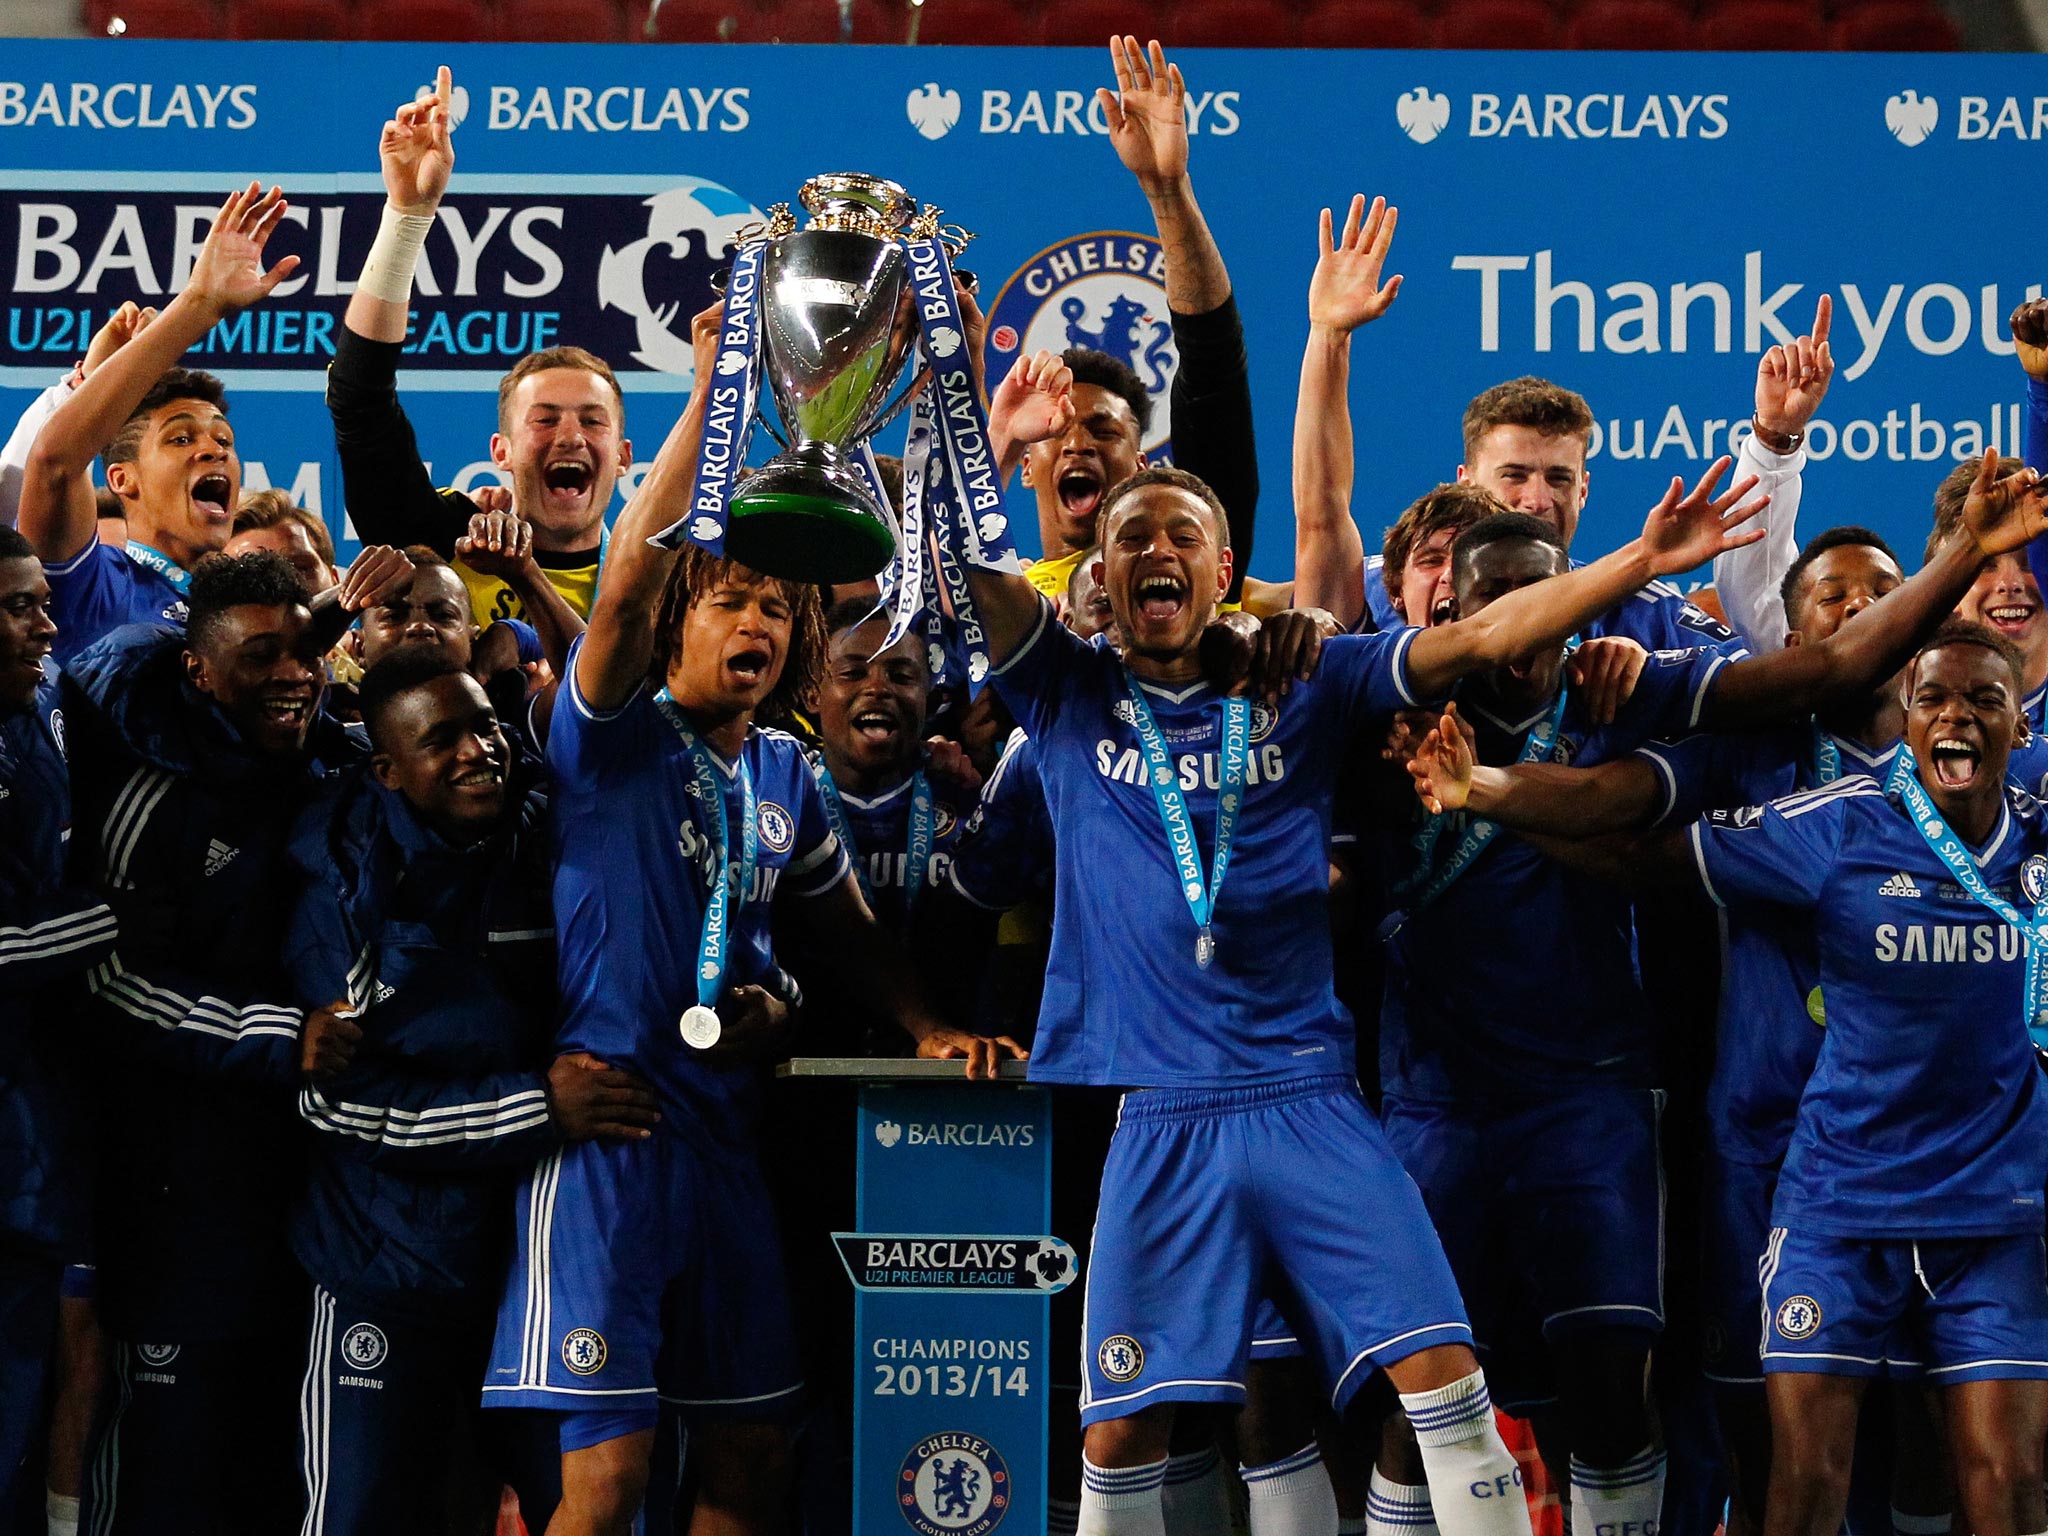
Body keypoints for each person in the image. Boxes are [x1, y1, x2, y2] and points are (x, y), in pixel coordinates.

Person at [971, 340, 1770, 1536]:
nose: (1153, 552)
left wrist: (1639, 565)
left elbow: (1481, 640)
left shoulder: (1321, 680)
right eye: (1129, 535)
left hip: (1309, 1099)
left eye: (1182, 535)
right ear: (1091, 567)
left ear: (1225, 571)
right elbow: (973, 577)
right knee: (1120, 1430)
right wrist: (993, 450)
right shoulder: (1065, 698)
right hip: (1159, 1113)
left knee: (1446, 1393)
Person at [1373, 487, 2037, 1533]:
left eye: (1878, 597)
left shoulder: (2026, 802)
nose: (1854, 615)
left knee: (1967, 1457)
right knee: (1758, 1441)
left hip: (1979, 1182)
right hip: (1784, 1158)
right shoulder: (1768, 761)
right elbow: (1625, 824)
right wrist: (1487, 792)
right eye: (1830, 596)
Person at [480, 308, 1014, 1536]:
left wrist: (925, 1022)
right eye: (731, 602)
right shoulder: (609, 736)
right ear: (681, 620)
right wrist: (716, 390)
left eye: (780, 609)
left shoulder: (784, 770)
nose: (760, 626)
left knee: (752, 1456)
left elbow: (847, 929)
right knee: (603, 1486)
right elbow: (621, 583)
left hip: (727, 1147)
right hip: (609, 1140)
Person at [284, 649, 659, 1535]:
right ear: (386, 768)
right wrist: (537, 1106)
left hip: (538, 1259)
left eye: (484, 726)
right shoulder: (339, 870)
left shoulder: (548, 826)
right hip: (383, 1257)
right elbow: (331, 1101)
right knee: (364, 1515)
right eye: (440, 739)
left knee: (584, 1508)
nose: (477, 751)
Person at [64, 552, 365, 1533]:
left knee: (271, 1470)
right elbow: (105, 981)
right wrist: (288, 1036)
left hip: (300, 1179)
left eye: (304, 650)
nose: (292, 673)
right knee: (167, 1466)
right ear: (197, 668)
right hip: (170, 1182)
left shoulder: (330, 759)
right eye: (259, 655)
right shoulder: (154, 787)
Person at [328, 70, 632, 627]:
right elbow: (359, 399)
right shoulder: (445, 537)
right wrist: (407, 217)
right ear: (502, 452)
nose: (570, 435)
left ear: (625, 456)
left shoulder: (650, 577)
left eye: (592, 421)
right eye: (544, 420)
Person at [1014, 39, 1258, 607]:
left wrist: (1167, 190)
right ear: (1025, 467)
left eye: (1103, 431)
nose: (1077, 445)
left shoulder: (1193, 584)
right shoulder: (997, 605)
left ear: (1141, 466)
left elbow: (1213, 364)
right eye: (1054, 432)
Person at [16, 186, 301, 664]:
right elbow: (55, 462)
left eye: (224, 440)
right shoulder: (94, 585)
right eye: (182, 438)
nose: (215, 452)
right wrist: (200, 304)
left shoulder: (245, 617)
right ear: (121, 478)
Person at [0, 529, 118, 1533]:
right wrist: (126, 914)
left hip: (38, 1133)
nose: (47, 624)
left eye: (45, 600)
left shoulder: (38, 709)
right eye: (17, 607)